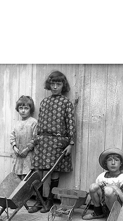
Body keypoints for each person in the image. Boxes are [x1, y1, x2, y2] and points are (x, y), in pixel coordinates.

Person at [28, 71, 76, 213]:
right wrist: (36, 140)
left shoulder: (66, 103)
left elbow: (71, 124)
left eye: (58, 84)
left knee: (54, 171)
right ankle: (38, 201)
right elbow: (40, 123)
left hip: (58, 141)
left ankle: (49, 201)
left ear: (63, 86)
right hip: (42, 140)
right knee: (39, 171)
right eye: (52, 84)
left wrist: (71, 144)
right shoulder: (44, 102)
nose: (55, 87)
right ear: (49, 85)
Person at [82, 148, 123, 220]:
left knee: (109, 190)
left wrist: (115, 188)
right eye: (110, 160)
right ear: (106, 163)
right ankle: (98, 212)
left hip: (118, 209)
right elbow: (96, 193)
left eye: (116, 160)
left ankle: (114, 216)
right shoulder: (101, 176)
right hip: (104, 206)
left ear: (120, 163)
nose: (113, 163)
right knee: (93, 187)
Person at [10, 95, 37, 180]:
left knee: (27, 176)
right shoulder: (16, 123)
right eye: (21, 108)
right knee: (18, 177)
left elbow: (35, 138)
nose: (23, 111)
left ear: (30, 109)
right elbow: (12, 137)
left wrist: (27, 149)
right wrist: (15, 148)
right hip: (18, 155)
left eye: (26, 108)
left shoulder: (33, 122)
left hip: (28, 155)